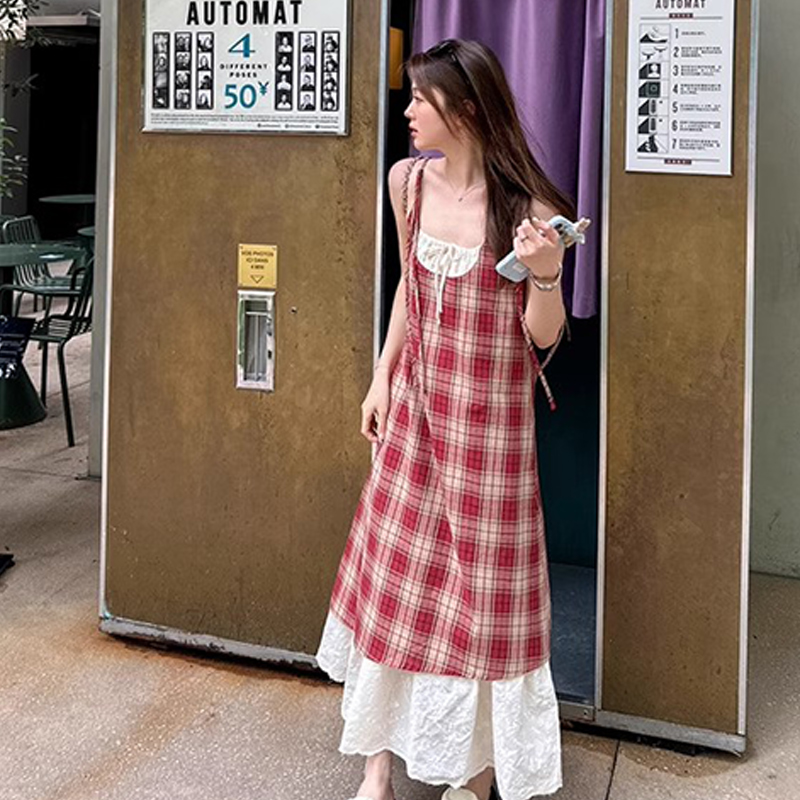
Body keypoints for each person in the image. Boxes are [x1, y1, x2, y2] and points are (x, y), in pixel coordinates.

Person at [314, 38, 574, 800]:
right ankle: (376, 767)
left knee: (484, 601)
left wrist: (547, 274)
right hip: (418, 417)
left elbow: (545, 336)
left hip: (491, 437)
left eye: (420, 100)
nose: (408, 112)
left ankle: (479, 771)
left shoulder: (529, 212)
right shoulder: (407, 184)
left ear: (463, 110)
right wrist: (381, 377)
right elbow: (410, 289)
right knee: (394, 579)